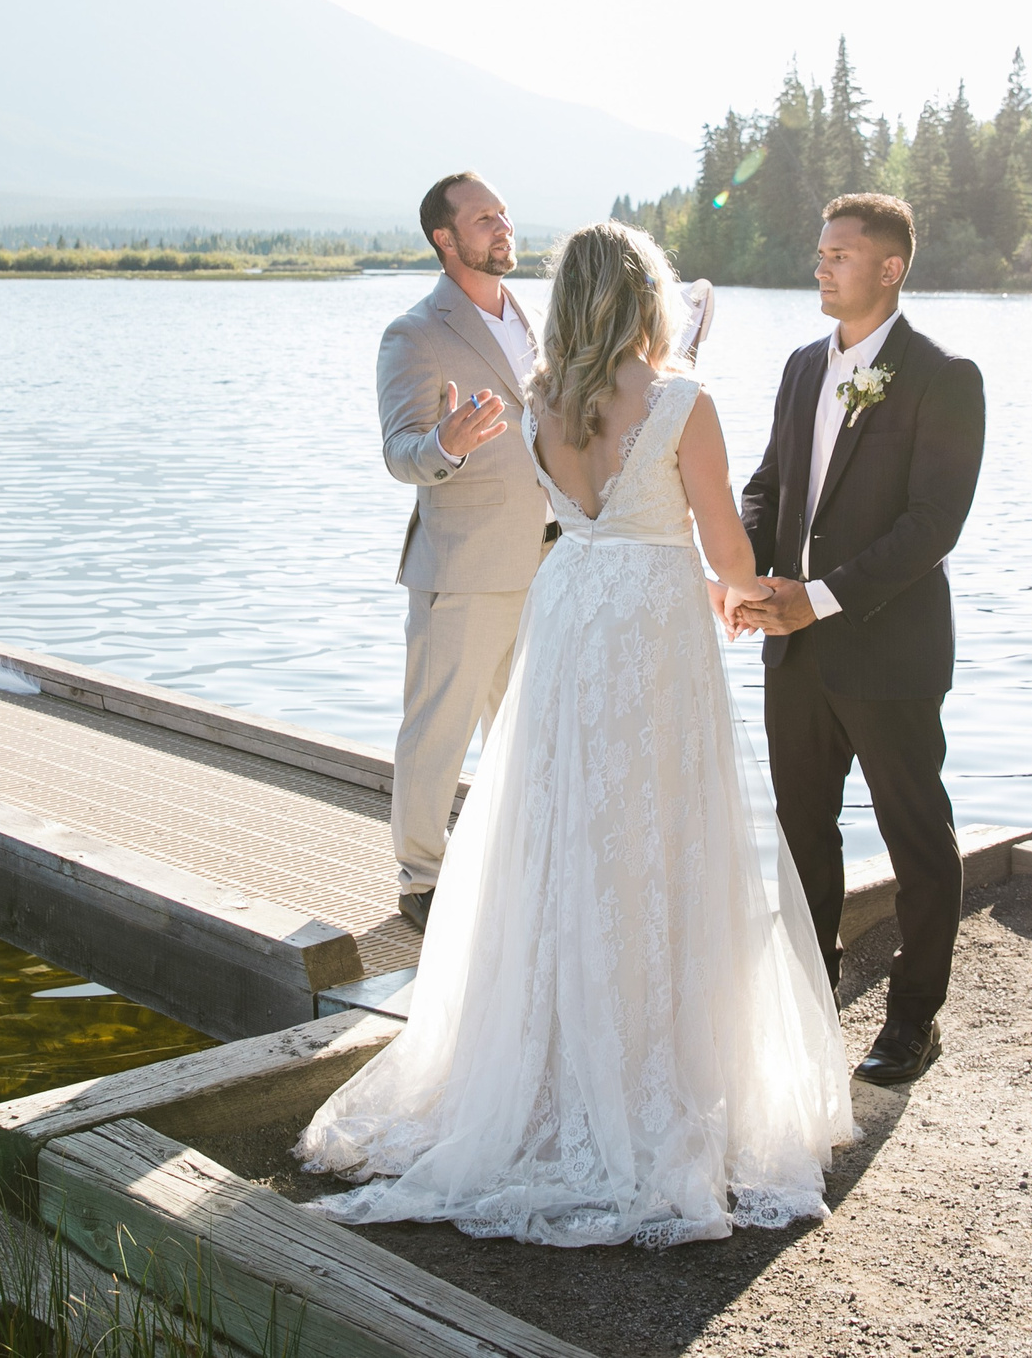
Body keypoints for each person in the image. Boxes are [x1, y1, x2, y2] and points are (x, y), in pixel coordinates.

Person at [303, 220, 856, 1248]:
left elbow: (583, 520)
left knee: (559, 828)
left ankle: (555, 1065)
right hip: (650, 623)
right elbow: (728, 554)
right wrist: (756, 598)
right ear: (645, 298)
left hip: (570, 610)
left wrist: (685, 573)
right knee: (660, 832)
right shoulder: (683, 403)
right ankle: (653, 1071)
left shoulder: (539, 401)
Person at [734, 193, 986, 1087]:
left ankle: (914, 1020)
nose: (822, 264)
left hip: (889, 653)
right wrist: (746, 573)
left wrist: (823, 598)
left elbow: (932, 526)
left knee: (917, 835)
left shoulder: (944, 376)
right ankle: (808, 1008)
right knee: (802, 834)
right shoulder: (804, 367)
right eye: (820, 250)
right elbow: (767, 486)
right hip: (794, 656)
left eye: (840, 253)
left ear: (890, 268)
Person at [374, 172, 555, 931]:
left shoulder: (530, 319)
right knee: (438, 728)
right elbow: (399, 450)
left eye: (504, 212)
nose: (502, 225)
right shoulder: (414, 333)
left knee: (528, 732)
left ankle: (515, 865)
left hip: (548, 563)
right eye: (485, 218)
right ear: (446, 239)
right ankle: (421, 878)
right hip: (463, 564)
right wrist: (443, 445)